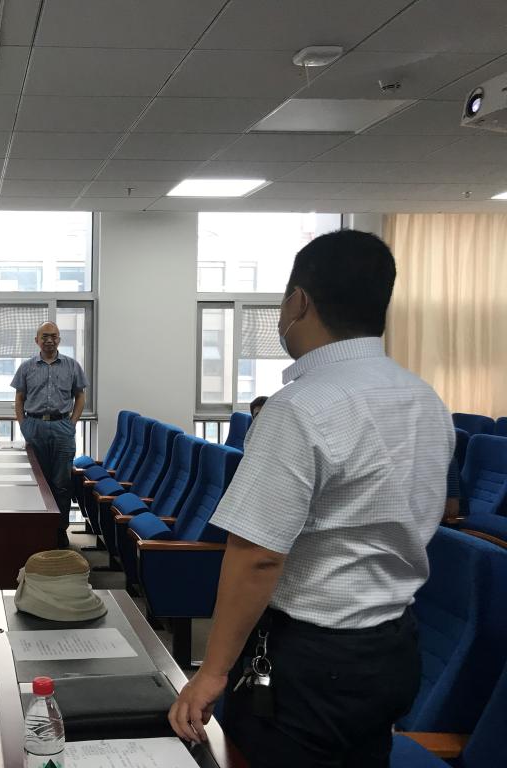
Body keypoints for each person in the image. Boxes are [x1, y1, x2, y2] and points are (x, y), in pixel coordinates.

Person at [168, 230, 454, 767]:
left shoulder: (299, 406)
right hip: (393, 646)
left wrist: (211, 673)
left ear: (299, 302)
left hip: (311, 662)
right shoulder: (425, 399)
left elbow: (258, 555)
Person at [12, 322, 89, 549]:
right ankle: (38, 530)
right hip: (34, 427)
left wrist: (72, 423)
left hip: (62, 428)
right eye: (44, 336)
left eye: (54, 336)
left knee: (62, 483)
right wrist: (24, 425)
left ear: (59, 340)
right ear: (37, 340)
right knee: (38, 481)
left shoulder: (72, 366)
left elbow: (80, 396)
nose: (49, 340)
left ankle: (59, 530)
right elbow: (19, 399)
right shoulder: (26, 367)